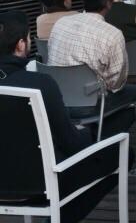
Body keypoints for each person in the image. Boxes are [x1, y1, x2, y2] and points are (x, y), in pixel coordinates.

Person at [0, 11, 125, 223]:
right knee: (121, 153)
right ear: (21, 45)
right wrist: (89, 134)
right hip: (40, 183)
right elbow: (72, 144)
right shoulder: (40, 84)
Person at [49, 0, 136, 111]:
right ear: (109, 3)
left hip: (59, 101)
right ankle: (106, 131)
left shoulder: (60, 23)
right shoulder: (112, 34)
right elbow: (116, 84)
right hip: (94, 103)